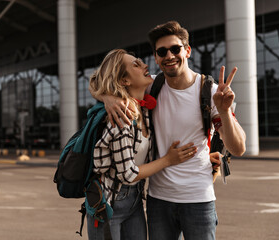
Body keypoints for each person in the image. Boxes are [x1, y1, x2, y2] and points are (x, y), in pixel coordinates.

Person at [96, 21, 246, 240]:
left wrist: (223, 112)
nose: (169, 55)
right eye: (162, 51)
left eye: (175, 49)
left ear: (187, 51)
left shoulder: (210, 92)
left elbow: (238, 148)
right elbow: (102, 80)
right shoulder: (151, 85)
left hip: (198, 200)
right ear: (156, 57)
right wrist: (107, 98)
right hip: (159, 201)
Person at [87, 49, 202, 240]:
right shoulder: (121, 117)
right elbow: (128, 174)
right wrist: (168, 160)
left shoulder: (143, 111)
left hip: (135, 201)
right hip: (109, 203)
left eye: (141, 62)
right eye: (136, 65)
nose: (145, 66)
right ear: (125, 81)